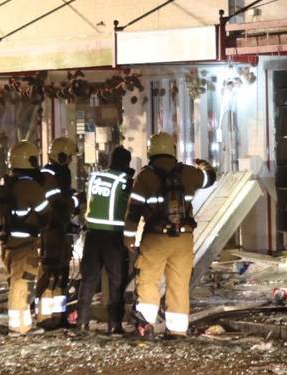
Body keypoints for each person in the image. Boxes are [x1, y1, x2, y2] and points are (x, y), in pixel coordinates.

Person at [124, 132, 215, 338]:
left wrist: (129, 238)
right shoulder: (189, 174)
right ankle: (177, 329)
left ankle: (145, 325)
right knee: (179, 282)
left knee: (148, 278)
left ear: (150, 151)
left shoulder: (145, 176)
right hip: (183, 239)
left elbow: (133, 211)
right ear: (173, 150)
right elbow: (210, 178)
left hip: (155, 238)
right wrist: (203, 165)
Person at [0, 141, 51, 334]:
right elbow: (45, 214)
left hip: (8, 242)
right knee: (23, 282)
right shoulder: (28, 186)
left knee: (15, 280)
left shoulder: (7, 182)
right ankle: (19, 327)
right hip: (25, 243)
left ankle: (21, 323)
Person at [76, 146, 133, 334]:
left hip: (92, 234)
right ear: (126, 162)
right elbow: (131, 204)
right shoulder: (124, 180)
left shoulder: (95, 177)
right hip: (113, 236)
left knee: (89, 279)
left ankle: (82, 322)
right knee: (116, 280)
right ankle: (114, 324)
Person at [37, 136, 78, 328]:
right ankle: (44, 316)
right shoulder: (48, 175)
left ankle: (59, 314)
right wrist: (77, 201)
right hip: (51, 230)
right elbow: (58, 205)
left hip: (60, 229)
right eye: (69, 157)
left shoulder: (60, 174)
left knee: (62, 273)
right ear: (61, 155)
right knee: (50, 270)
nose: (70, 160)